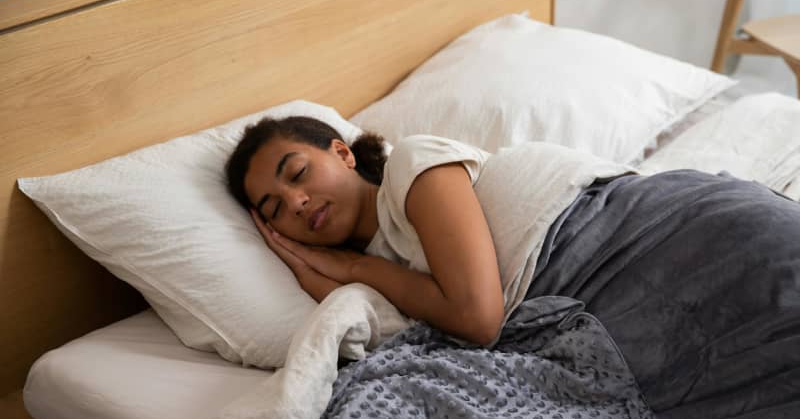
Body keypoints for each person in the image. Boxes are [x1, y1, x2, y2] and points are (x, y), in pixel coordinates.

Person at [225, 115, 631, 346]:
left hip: (614, 229)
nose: (296, 202)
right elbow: (396, 334)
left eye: (298, 173)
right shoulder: (374, 269)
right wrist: (306, 271)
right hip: (593, 300)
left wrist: (353, 269)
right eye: (275, 209)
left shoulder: (411, 165)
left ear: (343, 153)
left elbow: (477, 319)